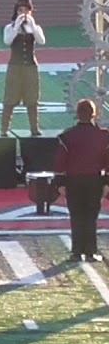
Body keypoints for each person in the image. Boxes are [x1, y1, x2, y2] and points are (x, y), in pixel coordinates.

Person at [55, 99, 109, 263]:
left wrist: (60, 183)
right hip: (94, 181)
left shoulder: (67, 136)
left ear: (77, 114)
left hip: (74, 181)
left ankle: (77, 252)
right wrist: (106, 182)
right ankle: (91, 251)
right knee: (91, 216)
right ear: (95, 114)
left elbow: (60, 161)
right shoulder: (104, 136)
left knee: (76, 216)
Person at [1, 0, 46, 137]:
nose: (24, 13)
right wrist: (16, 27)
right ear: (16, 11)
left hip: (30, 67)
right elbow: (7, 41)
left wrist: (32, 27)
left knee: (32, 99)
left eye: (27, 10)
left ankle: (34, 128)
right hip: (15, 66)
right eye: (21, 10)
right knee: (10, 98)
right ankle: (4, 129)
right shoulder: (9, 27)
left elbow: (41, 41)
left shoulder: (35, 27)